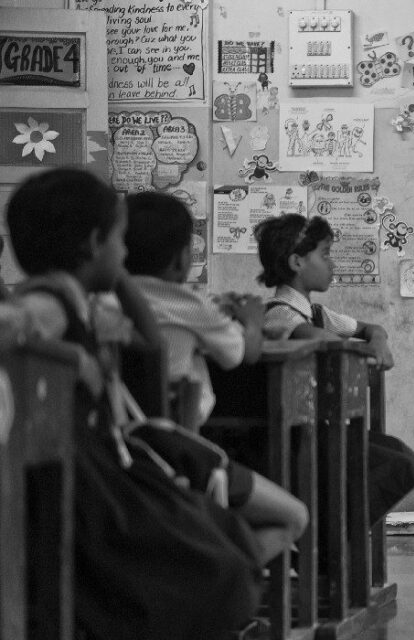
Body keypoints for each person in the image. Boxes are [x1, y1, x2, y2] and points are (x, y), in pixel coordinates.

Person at [3, 168, 261, 639]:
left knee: (222, 545)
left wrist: (117, 278)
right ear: (92, 243)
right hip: (80, 480)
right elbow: (9, 325)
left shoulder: (83, 302)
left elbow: (147, 345)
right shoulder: (49, 304)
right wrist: (70, 356)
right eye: (120, 241)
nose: (126, 254)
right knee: (210, 568)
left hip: (100, 468)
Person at [124, 191, 309, 562]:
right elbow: (242, 354)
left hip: (118, 447)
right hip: (178, 449)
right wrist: (251, 321)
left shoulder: (98, 305)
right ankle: (220, 578)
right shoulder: (189, 304)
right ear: (181, 260)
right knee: (293, 518)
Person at [254, 213, 414, 525]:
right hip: (293, 437)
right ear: (297, 262)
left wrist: (379, 342)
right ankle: (332, 538)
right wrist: (367, 350)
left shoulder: (316, 312)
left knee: (404, 460)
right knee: (396, 465)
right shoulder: (280, 315)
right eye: (325, 254)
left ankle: (336, 534)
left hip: (320, 426)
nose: (332, 264)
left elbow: (372, 328)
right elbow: (328, 343)